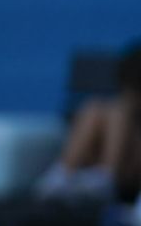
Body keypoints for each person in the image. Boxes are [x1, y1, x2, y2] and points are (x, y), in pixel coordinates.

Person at [38, 42, 141, 202]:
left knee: (118, 113)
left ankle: (105, 178)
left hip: (127, 174)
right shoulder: (109, 110)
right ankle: (60, 175)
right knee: (93, 108)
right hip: (89, 173)